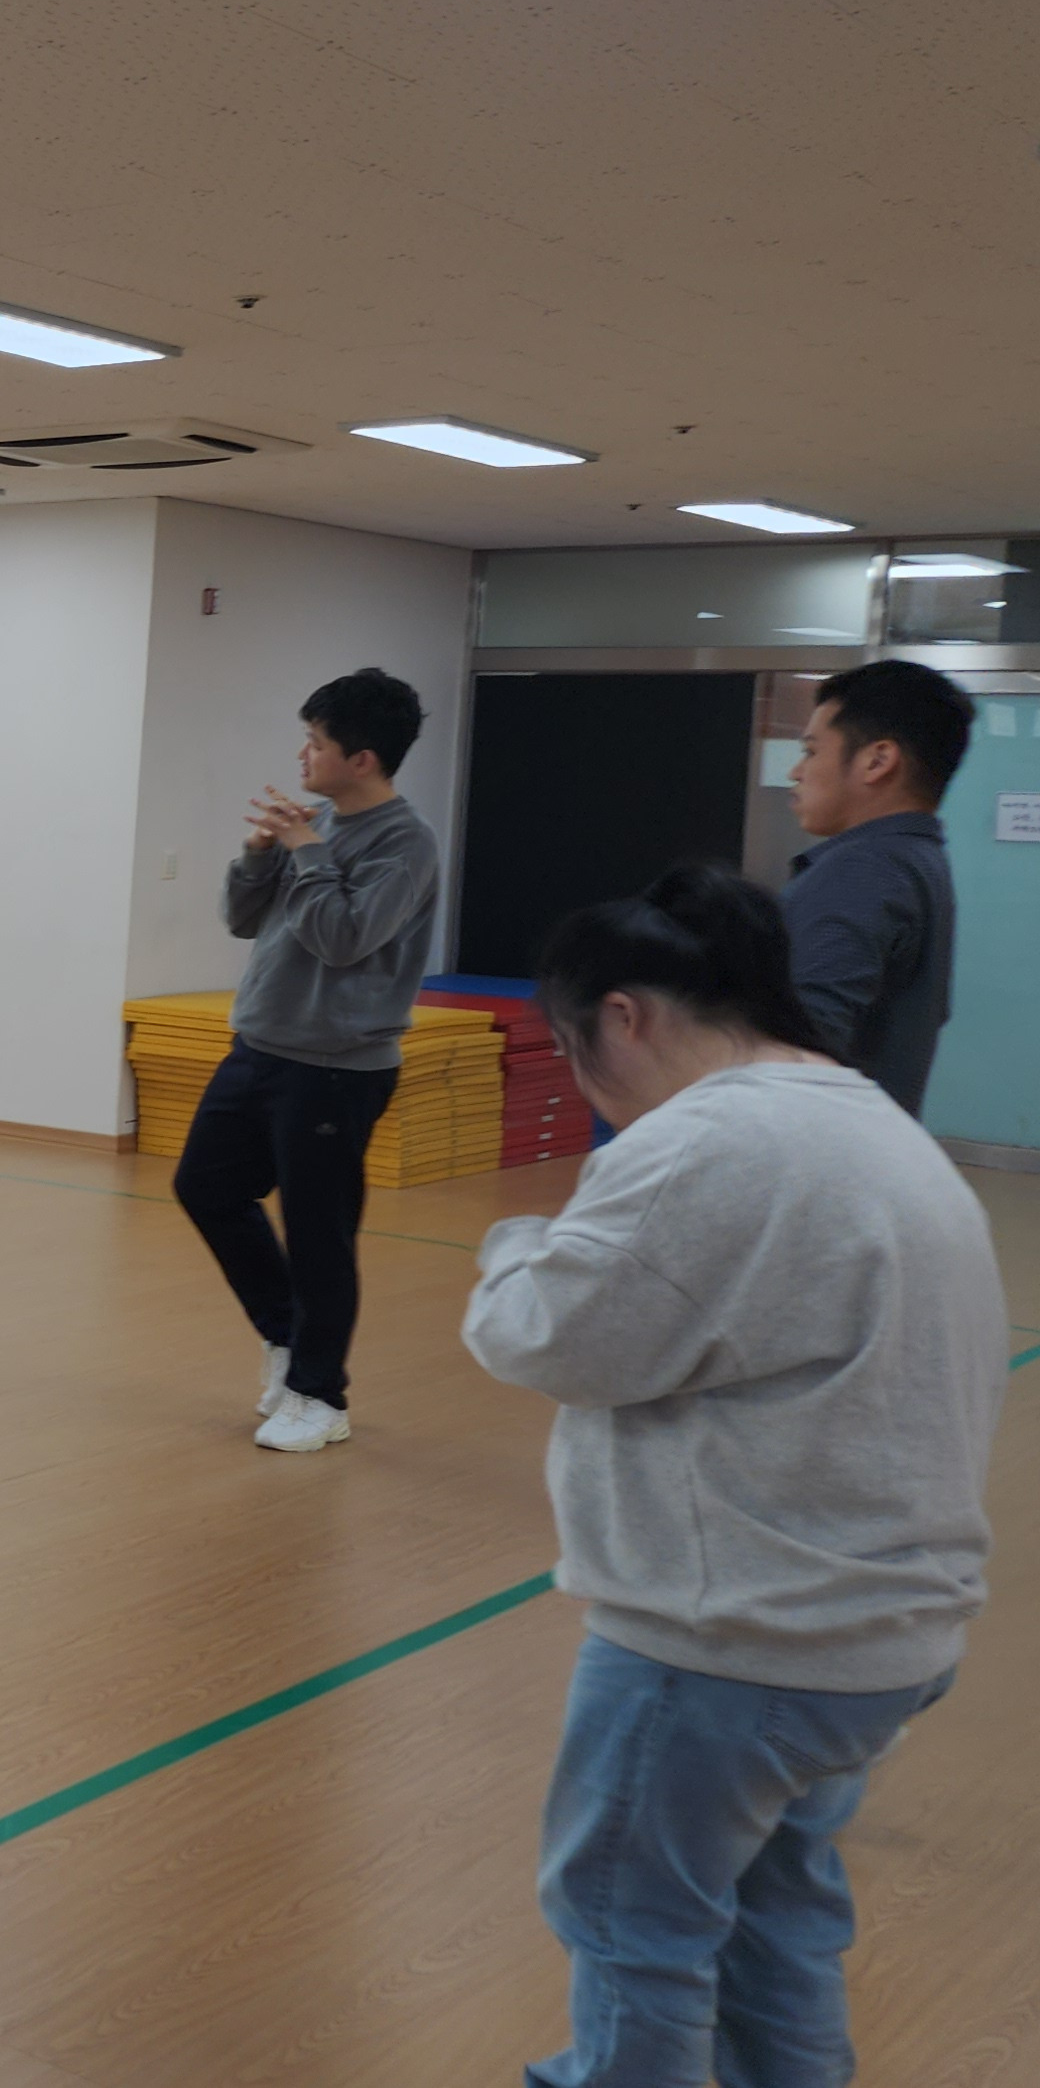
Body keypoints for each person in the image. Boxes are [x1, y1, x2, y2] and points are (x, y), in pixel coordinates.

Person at [464, 864, 1005, 2088]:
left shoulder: (712, 1140)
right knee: (774, 1915)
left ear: (622, 1014)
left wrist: (514, 1242)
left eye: (571, 1047)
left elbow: (550, 1336)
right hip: (873, 1630)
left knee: (629, 1920)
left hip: (734, 1640)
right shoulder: (861, 1112)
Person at [172, 666, 440, 1454]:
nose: (303, 755)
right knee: (205, 1186)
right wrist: (261, 853)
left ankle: (322, 1396)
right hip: (260, 1045)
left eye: (316, 743)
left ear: (362, 759)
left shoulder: (404, 843)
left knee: (319, 1231)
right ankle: (287, 1337)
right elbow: (242, 918)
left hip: (337, 1066)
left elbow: (344, 938)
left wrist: (309, 851)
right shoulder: (313, 823)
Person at [780, 657, 971, 1116]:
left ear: (878, 761)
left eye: (811, 751)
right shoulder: (914, 858)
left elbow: (800, 1053)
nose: (796, 772)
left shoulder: (861, 870)